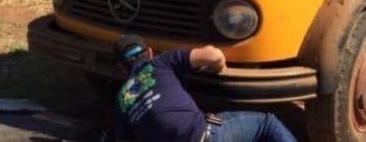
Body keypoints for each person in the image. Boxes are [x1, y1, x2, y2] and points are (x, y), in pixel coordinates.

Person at [112, 34, 297, 142]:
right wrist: (219, 67)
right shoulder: (161, 62)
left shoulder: (121, 100)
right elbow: (214, 55)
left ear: (121, 68)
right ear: (150, 52)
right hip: (203, 137)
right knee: (267, 123)